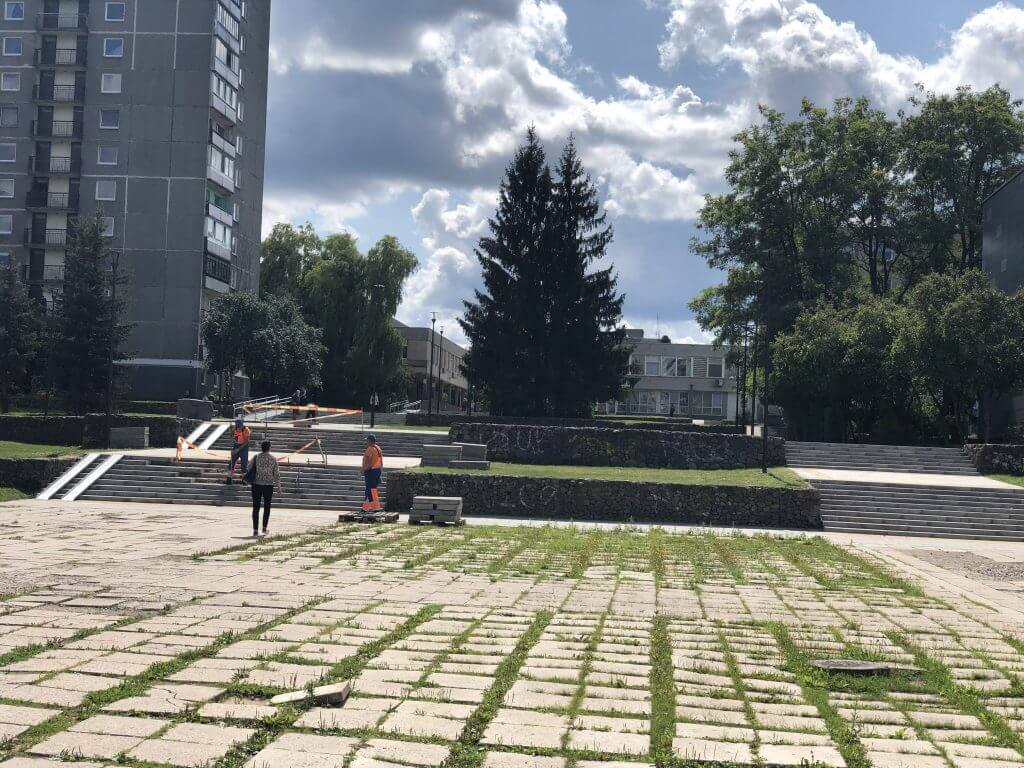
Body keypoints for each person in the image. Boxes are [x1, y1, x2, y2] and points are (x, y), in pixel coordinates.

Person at [249, 440, 279, 537]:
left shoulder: (256, 457)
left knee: (256, 507)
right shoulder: (273, 459)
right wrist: (279, 486)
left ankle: (255, 530)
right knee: (267, 507)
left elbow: (249, 468)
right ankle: (264, 528)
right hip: (268, 486)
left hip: (256, 485)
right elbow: (276, 474)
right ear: (269, 448)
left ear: (261, 447)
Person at [361, 433, 383, 511]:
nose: (366, 442)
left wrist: (363, 470)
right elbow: (381, 462)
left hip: (370, 471)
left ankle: (371, 506)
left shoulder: (370, 449)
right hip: (377, 471)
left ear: (370, 441)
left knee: (369, 489)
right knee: (373, 490)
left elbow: (369, 461)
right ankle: (371, 508)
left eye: (367, 440)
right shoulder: (378, 448)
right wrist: (380, 473)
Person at [226, 417, 251, 483]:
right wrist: (230, 430)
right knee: (232, 462)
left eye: (239, 426)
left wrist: (238, 449)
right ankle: (229, 478)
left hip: (244, 447)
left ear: (242, 424)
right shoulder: (235, 428)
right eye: (237, 426)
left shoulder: (246, 430)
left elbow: (246, 442)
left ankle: (244, 480)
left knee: (244, 464)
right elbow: (231, 436)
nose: (238, 428)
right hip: (236, 445)